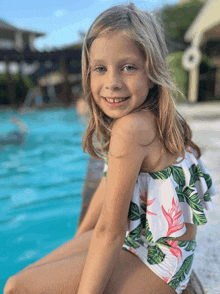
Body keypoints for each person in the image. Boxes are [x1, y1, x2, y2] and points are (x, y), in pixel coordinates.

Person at [4, 3, 217, 294]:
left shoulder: (131, 129)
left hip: (158, 264)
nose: (112, 83)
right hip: (148, 245)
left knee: (18, 287)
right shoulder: (151, 116)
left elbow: (111, 232)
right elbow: (105, 192)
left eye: (128, 67)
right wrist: (77, 244)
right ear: (88, 73)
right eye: (100, 69)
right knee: (31, 275)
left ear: (152, 70)